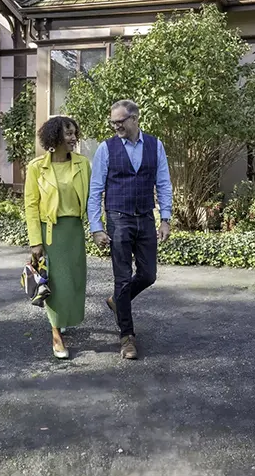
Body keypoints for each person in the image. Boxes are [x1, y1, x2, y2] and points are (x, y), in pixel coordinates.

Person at [88, 99, 173, 359]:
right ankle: (127, 337)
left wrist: (166, 218)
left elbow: (164, 183)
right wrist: (96, 227)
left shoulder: (155, 145)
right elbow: (95, 190)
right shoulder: (106, 148)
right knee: (122, 279)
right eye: (113, 122)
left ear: (135, 119)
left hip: (145, 217)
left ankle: (117, 302)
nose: (116, 127)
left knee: (148, 275)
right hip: (119, 219)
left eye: (121, 122)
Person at [24, 115, 91, 360]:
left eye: (75, 133)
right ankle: (56, 334)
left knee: (73, 283)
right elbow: (31, 205)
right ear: (55, 137)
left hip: (74, 231)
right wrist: (35, 241)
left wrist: (97, 227)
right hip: (50, 233)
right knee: (55, 284)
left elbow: (92, 199)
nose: (74, 138)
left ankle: (63, 320)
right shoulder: (36, 167)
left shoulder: (83, 164)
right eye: (69, 134)